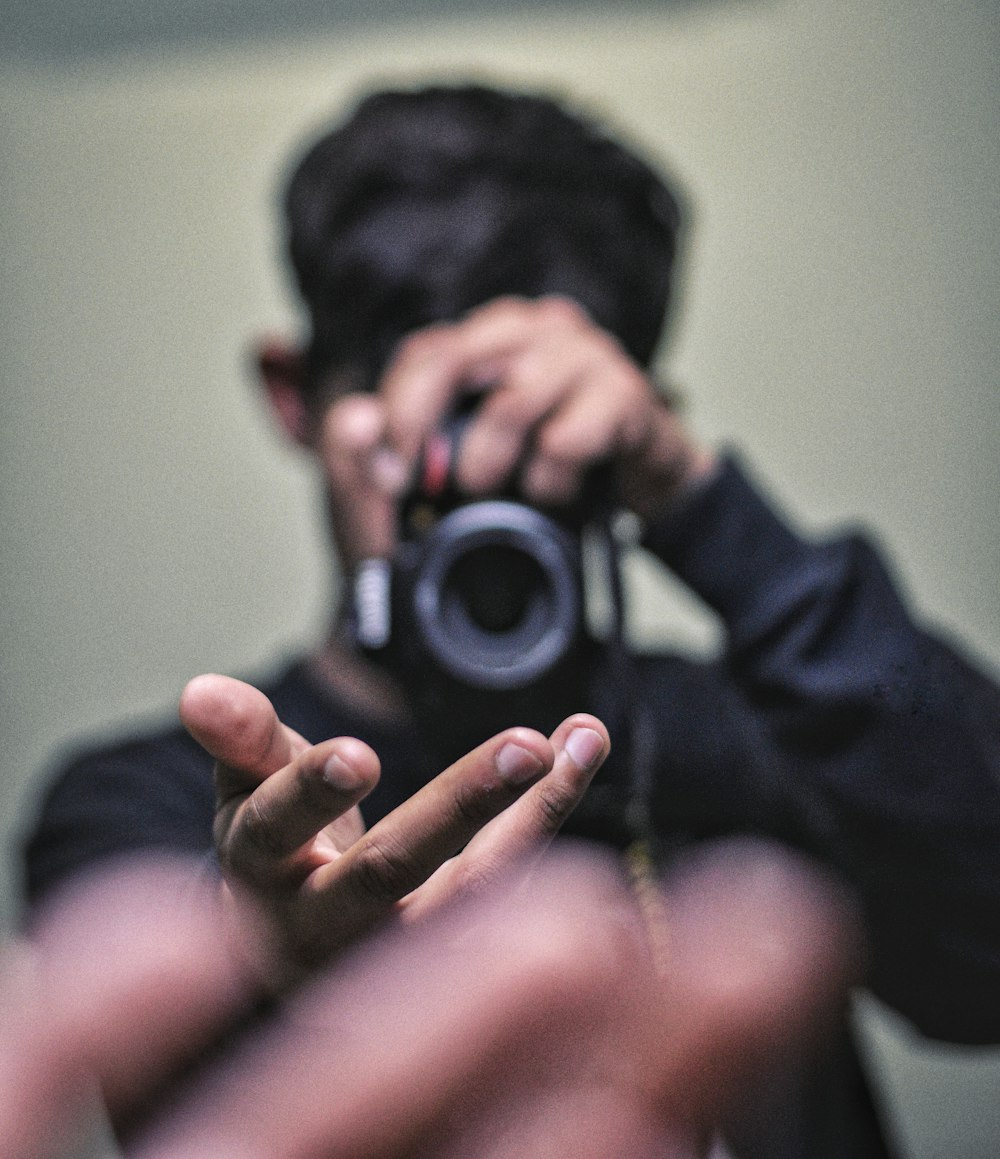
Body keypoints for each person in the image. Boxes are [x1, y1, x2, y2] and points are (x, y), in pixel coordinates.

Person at [20, 84, 1000, 1158]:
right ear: (294, 396)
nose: (490, 488)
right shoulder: (144, 799)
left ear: (625, 421)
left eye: (541, 436)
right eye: (437, 436)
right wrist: (264, 952)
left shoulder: (758, 739)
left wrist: (698, 500)